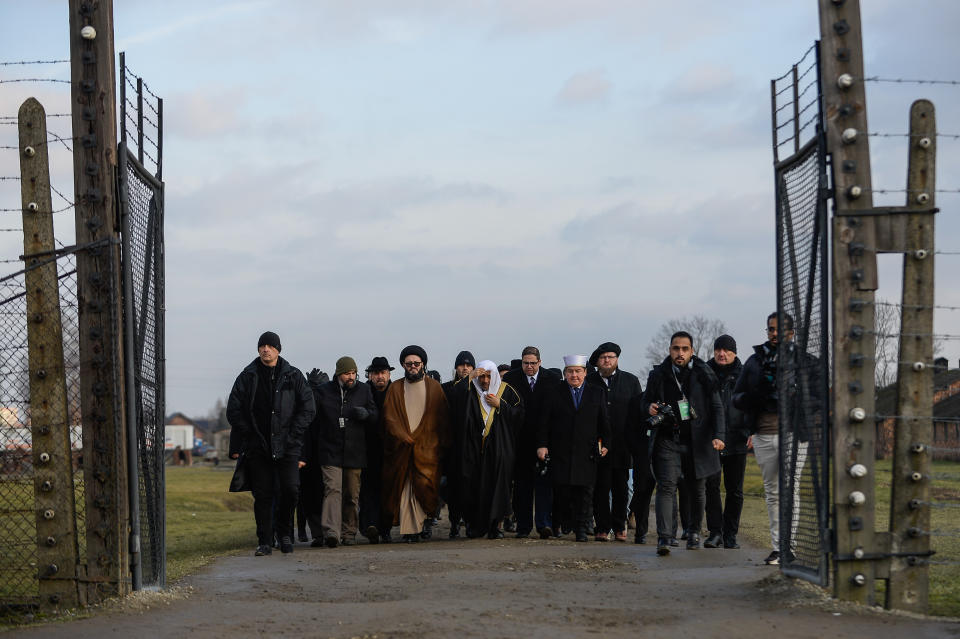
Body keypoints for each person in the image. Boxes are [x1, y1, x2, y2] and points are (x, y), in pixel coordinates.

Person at [227, 331, 315, 556]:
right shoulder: (248, 376)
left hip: (288, 445)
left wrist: (294, 436)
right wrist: (249, 434)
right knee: (263, 494)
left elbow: (308, 408)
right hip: (259, 447)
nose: (265, 349)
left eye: (270, 346)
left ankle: (284, 534)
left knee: (290, 490)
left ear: (278, 349)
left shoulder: (293, 376)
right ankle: (265, 541)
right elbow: (233, 410)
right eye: (262, 345)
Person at [734, 312, 810, 566]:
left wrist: (796, 398)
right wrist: (756, 396)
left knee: (790, 490)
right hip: (764, 434)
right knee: (773, 493)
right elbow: (737, 396)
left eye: (780, 330)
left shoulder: (804, 361)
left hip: (794, 435)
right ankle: (778, 548)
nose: (774, 334)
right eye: (770, 329)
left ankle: (790, 547)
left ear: (791, 332)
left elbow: (820, 397)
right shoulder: (754, 362)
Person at [641, 331, 725, 556]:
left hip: (698, 441)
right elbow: (645, 401)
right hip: (668, 439)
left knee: (697, 488)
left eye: (684, 349)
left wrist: (719, 435)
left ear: (692, 351)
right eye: (676, 348)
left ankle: (694, 531)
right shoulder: (658, 374)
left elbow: (717, 407)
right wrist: (648, 407)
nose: (680, 353)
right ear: (669, 350)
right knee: (666, 486)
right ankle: (664, 538)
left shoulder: (705, 374)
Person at [536, 355, 611, 542]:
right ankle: (560, 524)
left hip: (587, 452)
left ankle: (581, 530)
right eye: (570, 371)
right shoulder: (554, 392)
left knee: (585, 493)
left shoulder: (597, 393)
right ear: (565, 374)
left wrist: (606, 444)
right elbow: (543, 422)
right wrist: (542, 445)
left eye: (578, 371)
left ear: (585, 373)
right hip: (560, 450)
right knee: (562, 491)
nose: (574, 375)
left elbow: (604, 423)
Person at [381, 345, 450, 542]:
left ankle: (423, 526)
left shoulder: (435, 388)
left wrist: (436, 445)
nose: (413, 366)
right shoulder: (395, 388)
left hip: (428, 452)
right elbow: (389, 418)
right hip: (401, 451)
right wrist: (402, 436)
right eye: (409, 363)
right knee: (404, 489)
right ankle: (410, 530)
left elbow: (443, 420)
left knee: (425, 488)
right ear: (403, 364)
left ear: (423, 365)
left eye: (416, 363)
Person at [449, 360, 524, 538]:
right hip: (473, 450)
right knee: (472, 488)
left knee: (497, 488)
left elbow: (520, 415)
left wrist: (501, 406)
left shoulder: (506, 390)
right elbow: (454, 397)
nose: (484, 380)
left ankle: (495, 527)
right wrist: (470, 377)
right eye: (482, 376)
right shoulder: (470, 389)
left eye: (489, 376)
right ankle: (473, 526)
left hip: (498, 448)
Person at [309, 356, 378, 548]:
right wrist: (311, 390)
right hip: (330, 450)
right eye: (347, 373)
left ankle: (349, 533)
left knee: (351, 495)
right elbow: (311, 413)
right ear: (339, 374)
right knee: (333, 489)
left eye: (354, 373)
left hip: (355, 452)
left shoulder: (364, 390)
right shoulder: (324, 391)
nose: (351, 376)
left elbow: (375, 415)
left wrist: (367, 415)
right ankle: (332, 532)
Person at [587, 342, 642, 542]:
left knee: (621, 487)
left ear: (617, 359)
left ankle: (620, 525)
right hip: (597, 443)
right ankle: (602, 527)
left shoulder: (630, 381)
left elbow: (638, 411)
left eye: (611, 357)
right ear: (597, 361)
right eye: (603, 357)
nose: (607, 360)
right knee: (600, 487)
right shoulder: (590, 381)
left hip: (623, 443)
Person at [503, 347, 561, 539]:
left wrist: (545, 441)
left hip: (545, 440)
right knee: (522, 487)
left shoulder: (552, 379)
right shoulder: (511, 379)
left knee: (544, 485)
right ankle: (523, 526)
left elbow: (553, 412)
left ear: (540, 362)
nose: (529, 367)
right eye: (525, 363)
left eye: (532, 363)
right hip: (519, 440)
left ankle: (544, 524)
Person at [704, 335, 749, 549]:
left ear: (734, 353)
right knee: (710, 486)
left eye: (727, 350)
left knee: (735, 490)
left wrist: (751, 431)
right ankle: (715, 532)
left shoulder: (744, 375)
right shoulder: (703, 373)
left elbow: (752, 404)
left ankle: (731, 534)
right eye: (718, 350)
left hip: (737, 438)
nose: (722, 354)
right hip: (710, 440)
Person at [441, 350, 475, 538]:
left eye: (469, 365)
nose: (465, 368)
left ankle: (469, 523)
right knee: (453, 489)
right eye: (462, 365)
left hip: (471, 447)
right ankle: (454, 524)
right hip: (452, 446)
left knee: (470, 488)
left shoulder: (478, 389)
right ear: (456, 367)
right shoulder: (447, 388)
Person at [360, 356, 393, 544]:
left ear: (389, 374)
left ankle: (385, 529)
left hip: (390, 450)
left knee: (387, 491)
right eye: (376, 373)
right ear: (370, 375)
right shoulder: (363, 391)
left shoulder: (396, 391)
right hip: (366, 448)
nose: (380, 376)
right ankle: (370, 526)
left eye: (383, 373)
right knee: (368, 491)